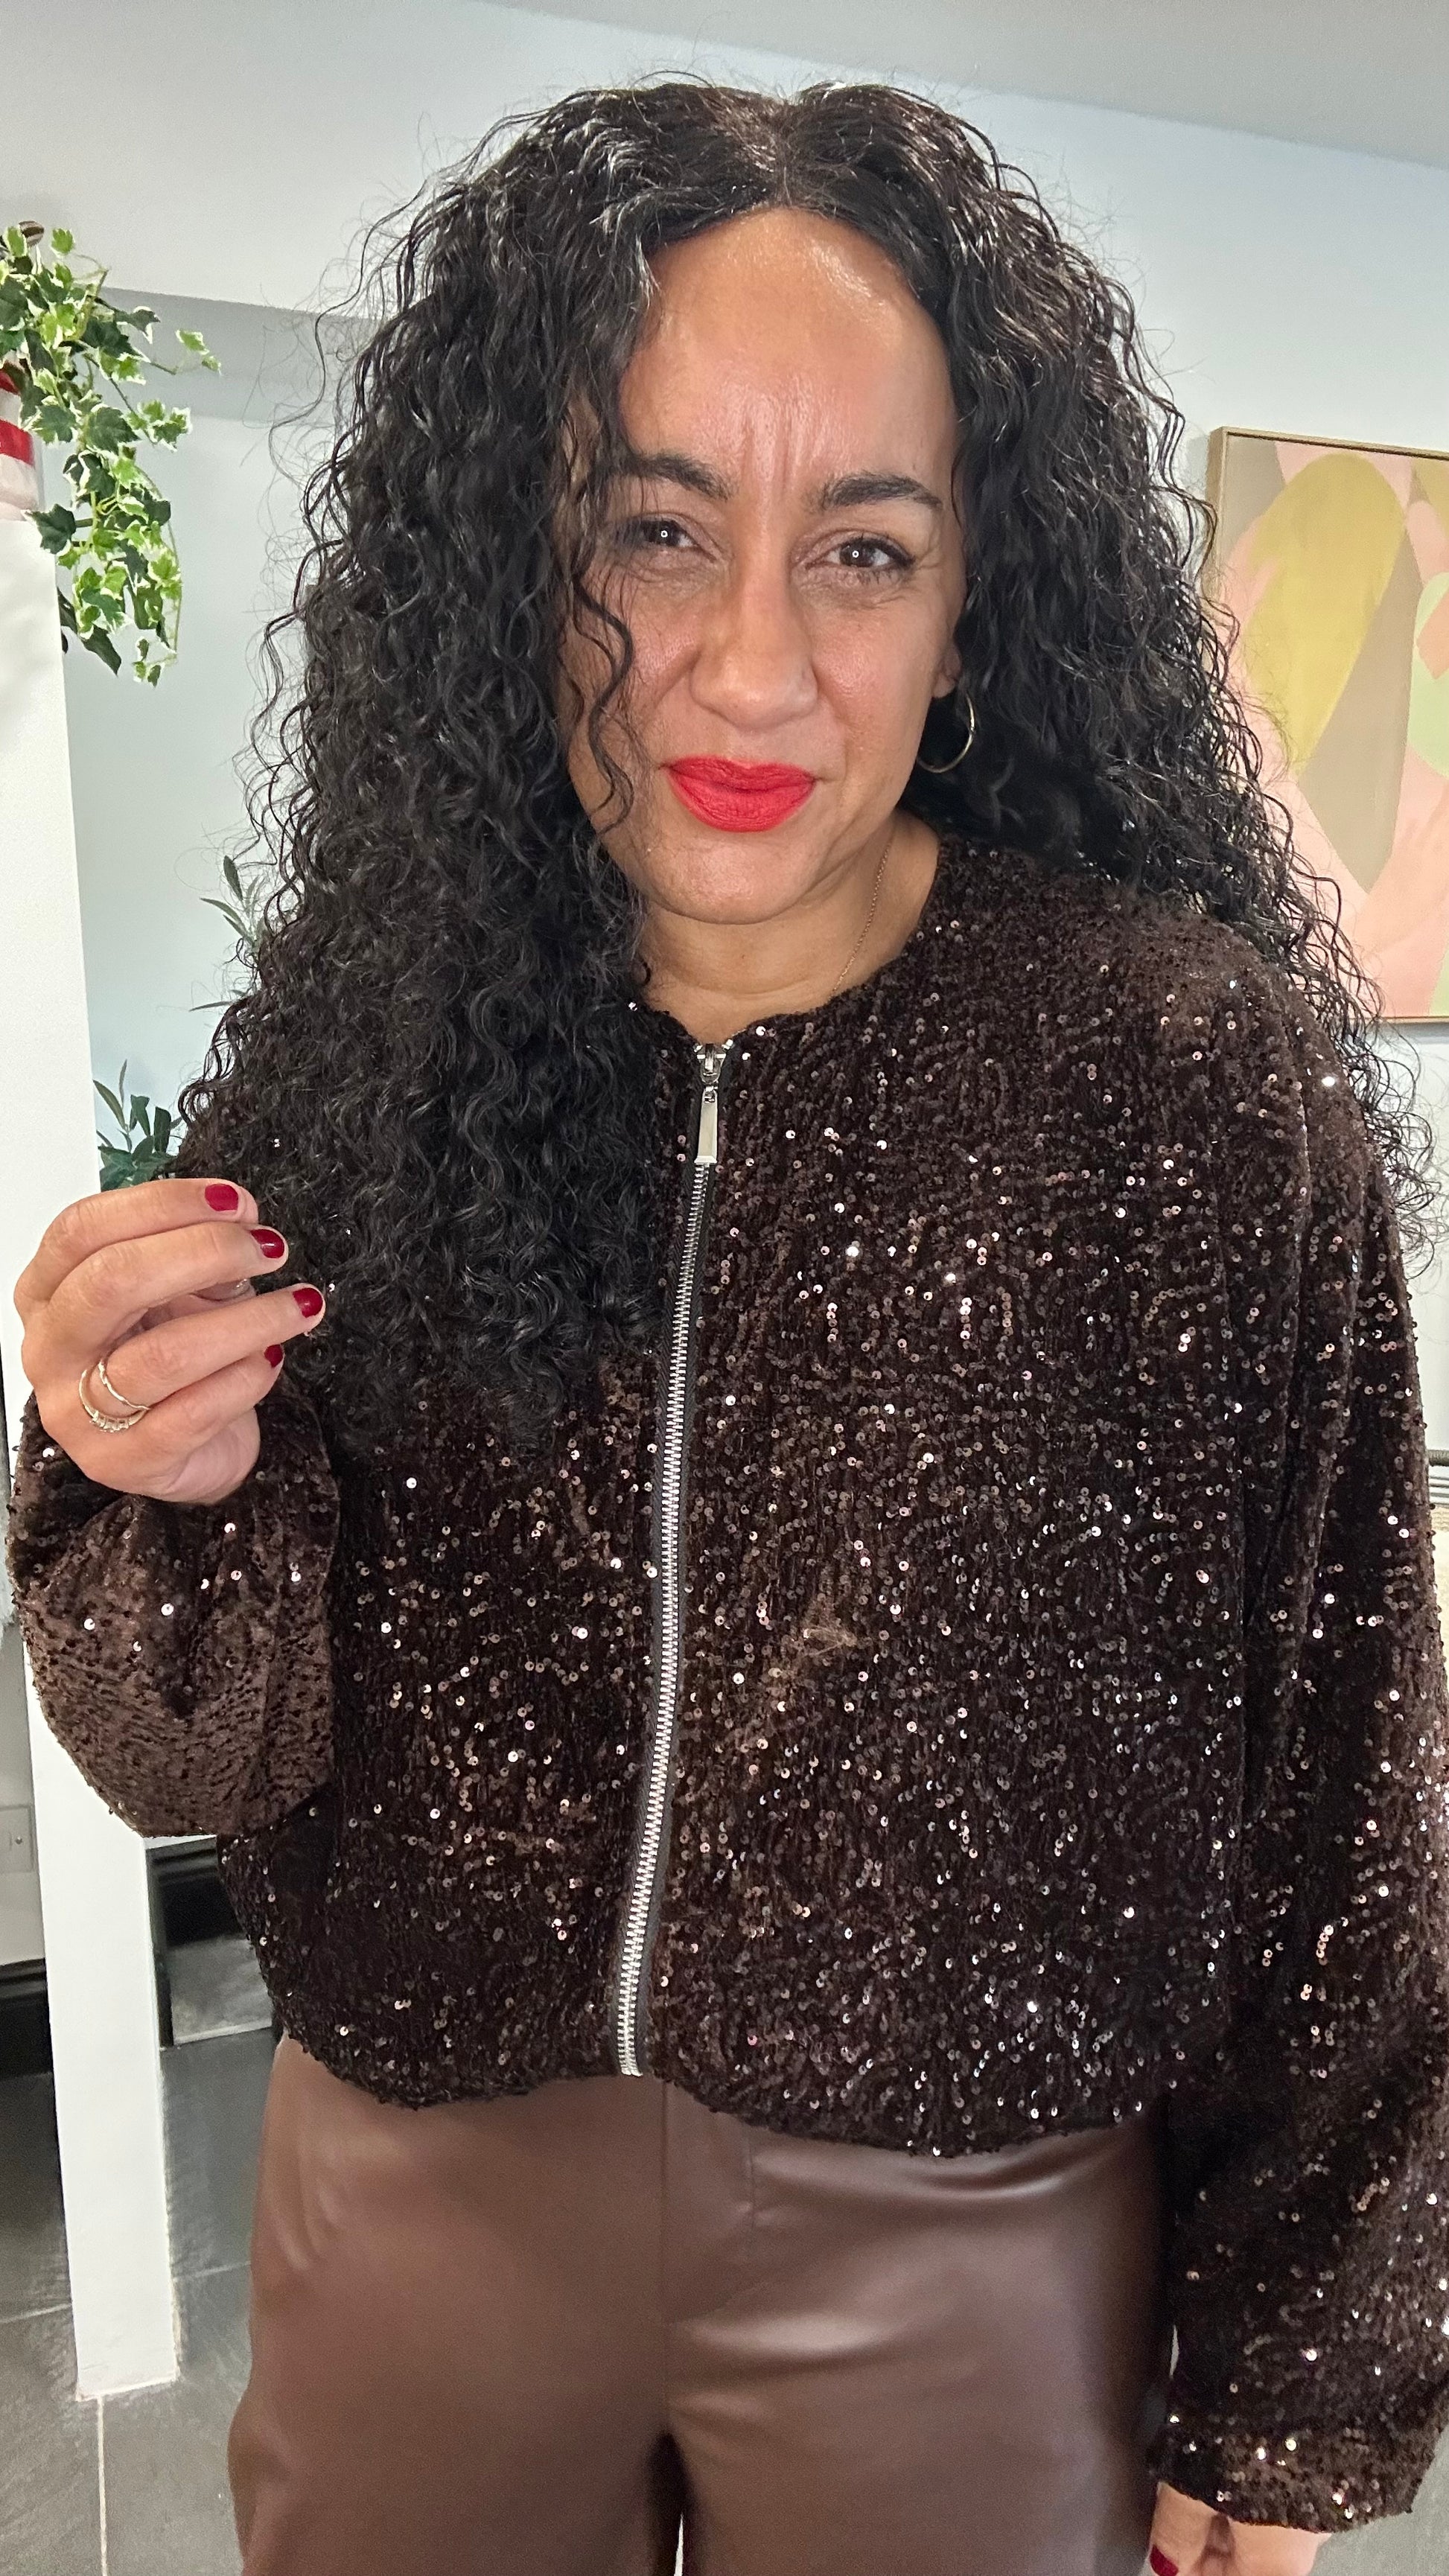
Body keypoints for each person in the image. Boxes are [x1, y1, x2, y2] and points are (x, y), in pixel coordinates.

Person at [7, 77, 1449, 2576]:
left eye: (860, 550)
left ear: (975, 597)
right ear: (528, 551)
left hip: (974, 2226)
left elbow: (1350, 1771)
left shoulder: (1180, 1077)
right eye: (655, 530)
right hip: (423, 2187)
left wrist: (1296, 2367)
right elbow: (180, 1753)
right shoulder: (361, 1052)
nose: (749, 666)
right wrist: (138, 1475)